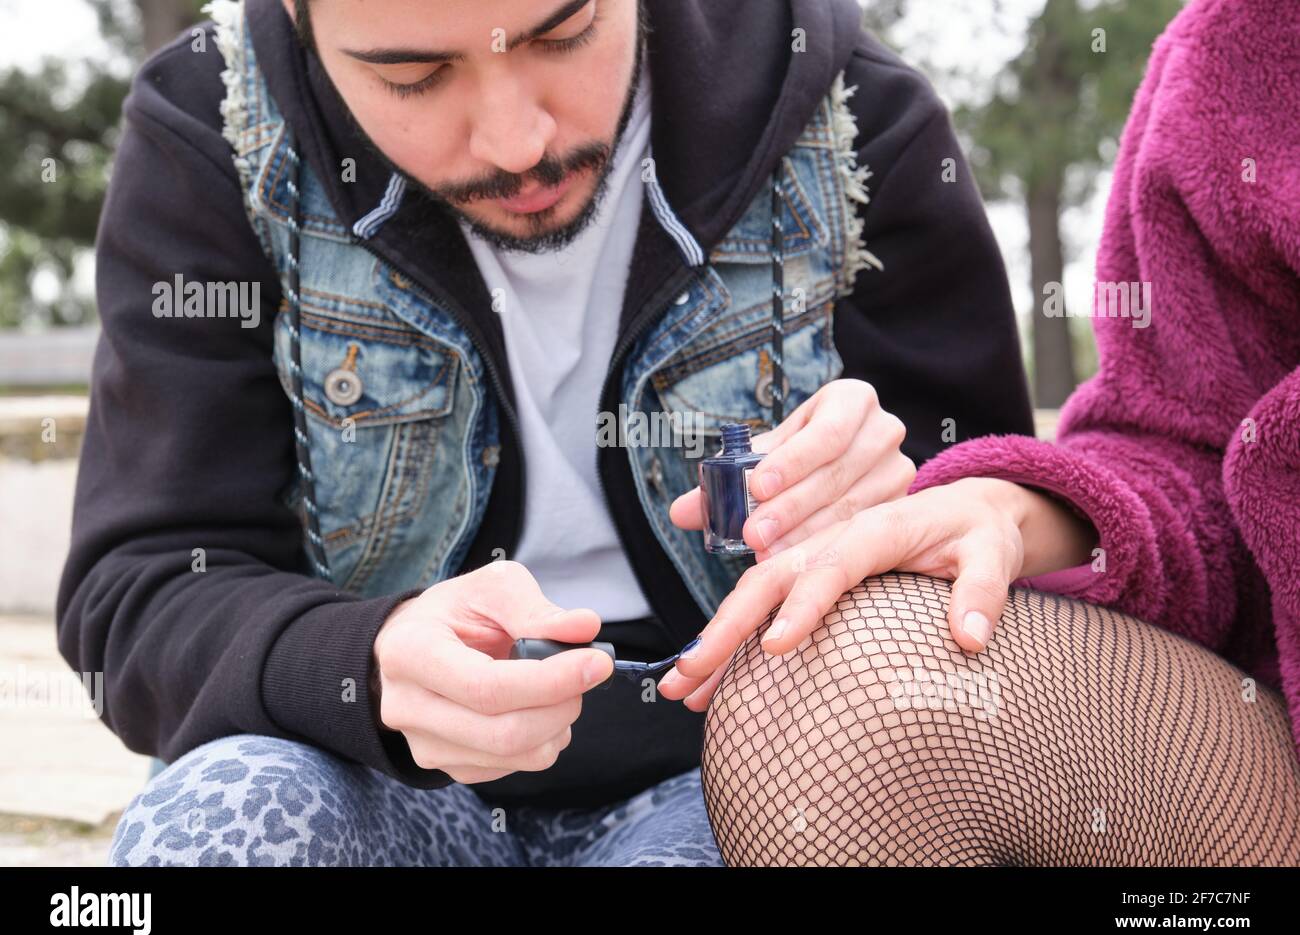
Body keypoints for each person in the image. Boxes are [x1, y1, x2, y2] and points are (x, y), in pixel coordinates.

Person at [57, 0, 1034, 866]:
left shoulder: (849, 114)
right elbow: (137, 593)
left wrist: (901, 505)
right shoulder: (215, 129)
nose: (518, 140)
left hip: (731, 777)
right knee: (217, 826)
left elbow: (1010, 549)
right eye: (412, 75)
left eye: (564, 33)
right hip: (360, 770)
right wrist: (361, 664)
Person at [667, 0, 1300, 865]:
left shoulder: (868, 118)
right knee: (821, 686)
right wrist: (1019, 508)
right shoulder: (1240, 46)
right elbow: (1194, 445)